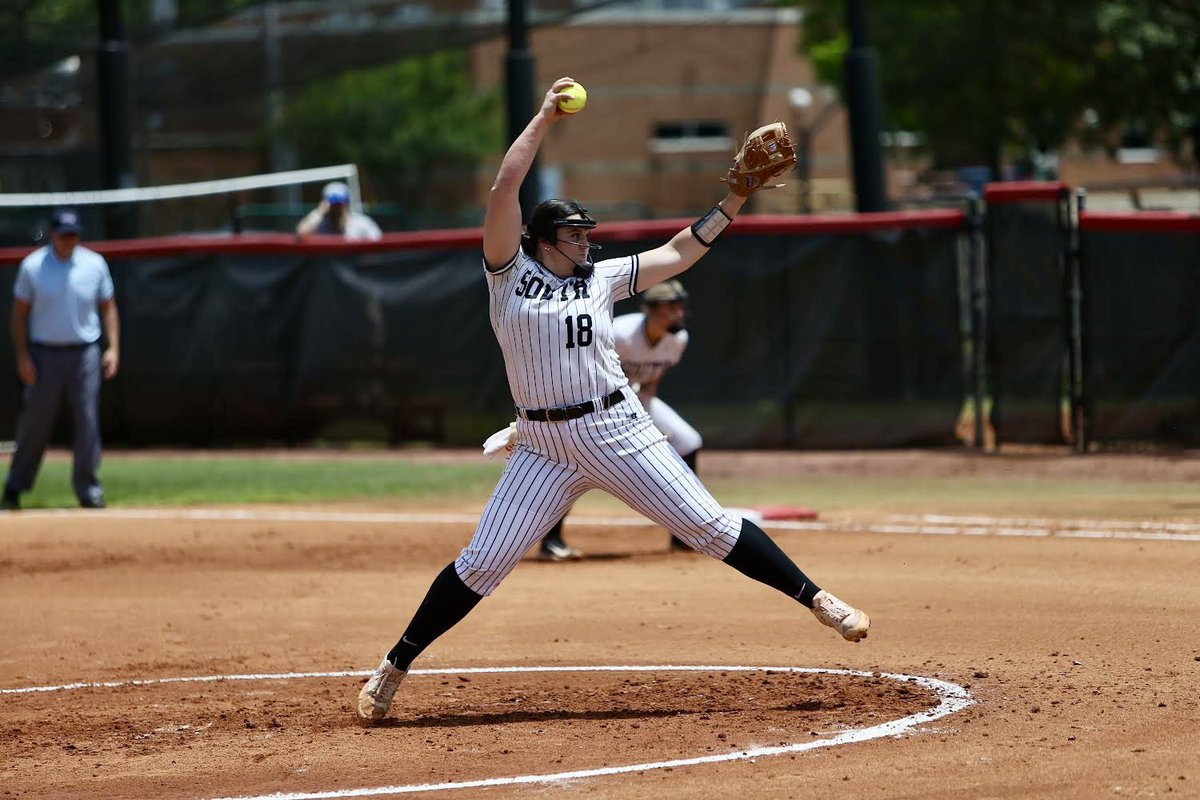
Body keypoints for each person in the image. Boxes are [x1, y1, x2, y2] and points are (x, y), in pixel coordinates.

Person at [355, 77, 869, 722]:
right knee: (483, 561)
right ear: (542, 240)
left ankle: (819, 600)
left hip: (616, 429)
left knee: (708, 526)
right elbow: (504, 188)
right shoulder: (507, 275)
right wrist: (544, 115)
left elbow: (681, 252)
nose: (585, 240)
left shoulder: (601, 278)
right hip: (543, 446)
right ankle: (393, 667)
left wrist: (735, 195)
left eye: (585, 233)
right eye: (573, 233)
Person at [539, 278, 700, 559]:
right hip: (595, 403)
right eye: (670, 307)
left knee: (688, 441)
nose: (678, 313)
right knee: (578, 462)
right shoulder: (621, 334)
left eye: (679, 307)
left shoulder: (679, 339)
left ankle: (683, 534)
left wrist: (642, 401)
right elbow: (583, 366)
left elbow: (652, 381)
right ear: (651, 310)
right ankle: (551, 541)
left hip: (636, 400)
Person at [3, 208, 119, 510]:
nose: (70, 240)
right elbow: (18, 315)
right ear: (52, 234)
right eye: (64, 234)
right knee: (35, 424)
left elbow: (108, 307)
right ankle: (15, 487)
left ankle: (89, 490)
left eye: (74, 234)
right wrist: (22, 356)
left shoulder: (94, 264)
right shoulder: (33, 267)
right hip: (45, 354)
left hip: (85, 353)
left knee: (88, 422)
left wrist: (113, 348)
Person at [295, 181, 382, 241]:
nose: (336, 208)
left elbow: (378, 243)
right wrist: (319, 212)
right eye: (333, 204)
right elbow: (301, 234)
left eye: (339, 204)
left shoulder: (361, 223)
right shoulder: (319, 224)